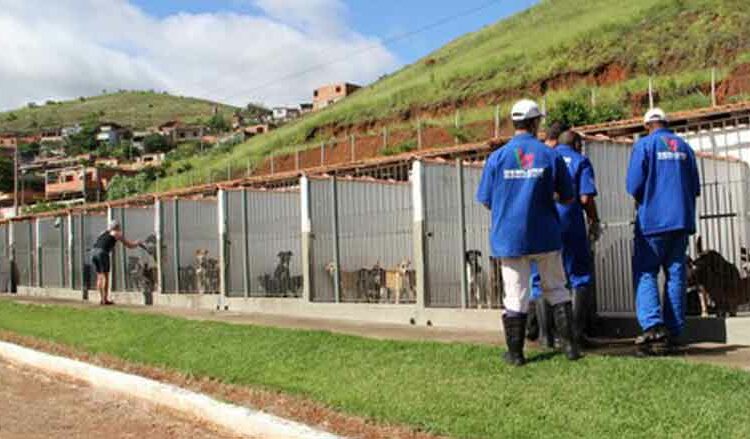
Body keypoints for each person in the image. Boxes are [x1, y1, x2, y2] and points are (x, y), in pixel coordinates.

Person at [476, 99, 580, 366]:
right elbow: (569, 197)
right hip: (545, 234)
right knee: (557, 288)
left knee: (515, 294)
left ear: (515, 123)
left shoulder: (497, 158)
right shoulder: (550, 155)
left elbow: (486, 199)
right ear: (536, 123)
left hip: (510, 237)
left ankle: (516, 353)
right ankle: (570, 348)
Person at [626, 108, 700, 354]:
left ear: (647, 125)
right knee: (676, 273)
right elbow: (695, 187)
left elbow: (633, 185)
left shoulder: (644, 146)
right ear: (666, 124)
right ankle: (675, 331)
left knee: (646, 271)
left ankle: (652, 328)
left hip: (653, 222)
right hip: (681, 221)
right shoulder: (685, 148)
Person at [91, 220, 141, 306]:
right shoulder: (116, 233)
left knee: (99, 276)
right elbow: (129, 245)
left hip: (93, 252)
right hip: (102, 253)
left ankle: (101, 298)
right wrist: (137, 243)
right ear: (117, 227)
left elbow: (99, 242)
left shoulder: (103, 233)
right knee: (105, 276)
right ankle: (105, 300)